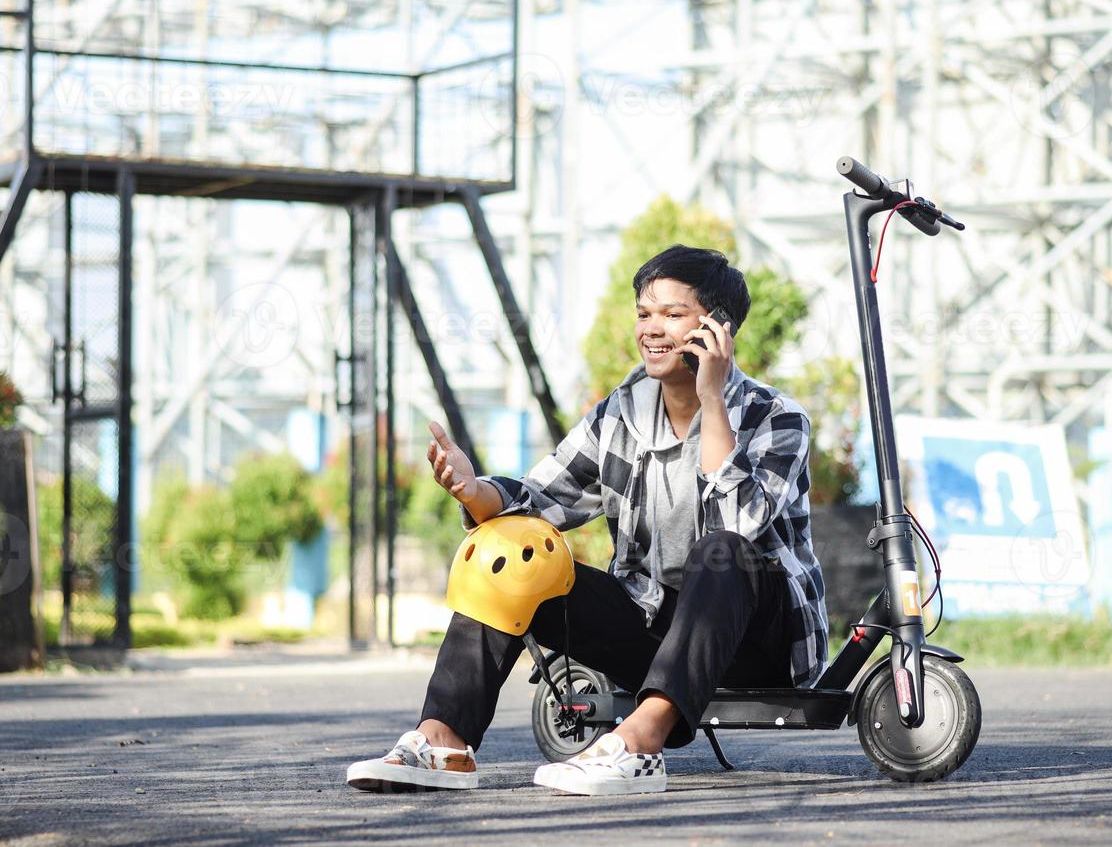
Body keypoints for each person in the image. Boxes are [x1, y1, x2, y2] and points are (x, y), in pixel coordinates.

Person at [347, 245, 827, 796]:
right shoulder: (620, 413)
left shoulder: (776, 418)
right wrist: (474, 489)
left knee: (722, 550)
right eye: (645, 313)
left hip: (753, 644)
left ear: (718, 327)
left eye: (672, 314)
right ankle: (443, 741)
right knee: (512, 544)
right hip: (652, 629)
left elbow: (739, 523)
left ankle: (637, 748)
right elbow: (538, 498)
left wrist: (711, 397)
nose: (651, 329)